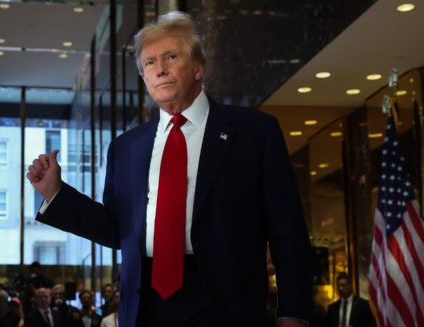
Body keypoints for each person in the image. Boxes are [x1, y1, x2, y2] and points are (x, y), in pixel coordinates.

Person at [27, 11, 312, 327]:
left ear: (197, 68)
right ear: (144, 78)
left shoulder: (254, 132)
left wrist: (294, 312)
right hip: (146, 305)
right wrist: (56, 193)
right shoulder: (124, 148)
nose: (159, 69)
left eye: (171, 57)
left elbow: (288, 232)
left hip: (227, 304)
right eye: (149, 63)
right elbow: (115, 229)